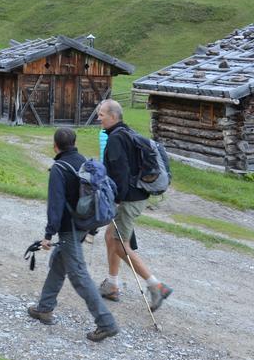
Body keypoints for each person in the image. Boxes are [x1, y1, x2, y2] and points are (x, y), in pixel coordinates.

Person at [27, 128, 119, 342]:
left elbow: (56, 205)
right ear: (75, 142)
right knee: (59, 265)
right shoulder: (84, 162)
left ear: (55, 145)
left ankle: (106, 323)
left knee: (79, 276)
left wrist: (48, 235)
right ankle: (44, 308)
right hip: (83, 225)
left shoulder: (59, 167)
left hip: (69, 229)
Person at [96, 99, 173, 311]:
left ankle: (156, 286)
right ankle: (112, 284)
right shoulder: (125, 133)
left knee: (120, 244)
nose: (98, 118)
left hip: (128, 199)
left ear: (112, 116)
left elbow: (119, 174)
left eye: (101, 114)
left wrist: (115, 200)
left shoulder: (115, 140)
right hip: (136, 195)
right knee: (110, 236)